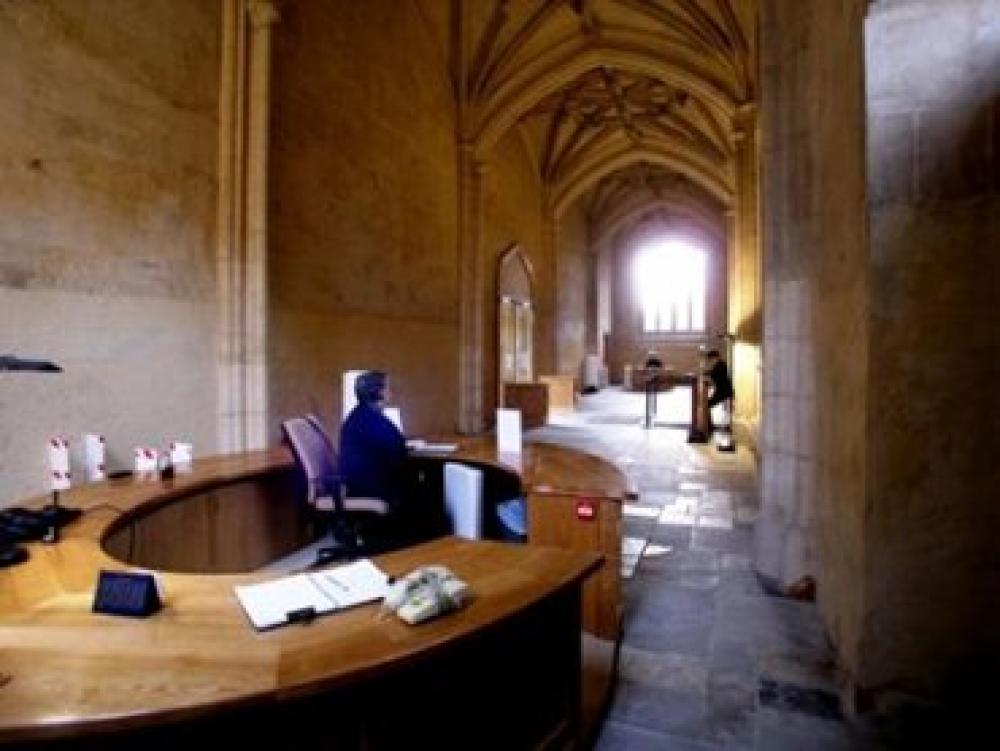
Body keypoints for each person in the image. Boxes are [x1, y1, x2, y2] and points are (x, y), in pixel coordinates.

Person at [338, 370, 445, 547]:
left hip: (362, 484)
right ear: (379, 392)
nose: (391, 391)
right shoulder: (373, 421)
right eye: (388, 387)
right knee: (433, 491)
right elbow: (397, 457)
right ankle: (427, 546)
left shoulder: (360, 416)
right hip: (374, 489)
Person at [702, 349, 734, 430]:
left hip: (724, 391)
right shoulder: (719, 365)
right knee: (708, 405)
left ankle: (709, 425)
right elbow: (713, 373)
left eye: (711, 359)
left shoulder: (721, 365)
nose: (710, 361)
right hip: (723, 390)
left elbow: (715, 374)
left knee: (708, 405)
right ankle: (710, 425)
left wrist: (707, 374)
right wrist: (706, 373)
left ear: (715, 357)